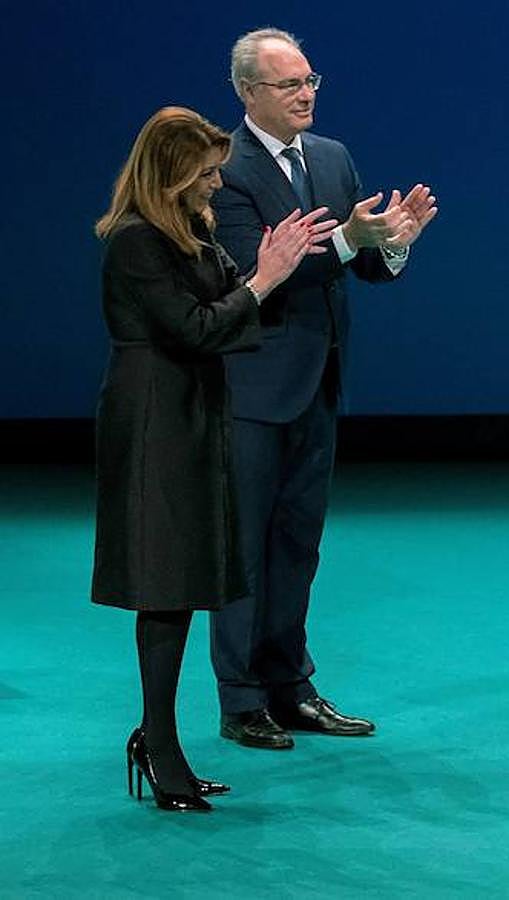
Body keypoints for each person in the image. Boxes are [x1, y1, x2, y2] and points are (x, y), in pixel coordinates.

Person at [92, 106, 335, 810]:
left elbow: (232, 301)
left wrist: (268, 274)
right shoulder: (136, 241)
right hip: (153, 421)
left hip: (194, 413)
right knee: (163, 582)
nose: (215, 185)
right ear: (170, 175)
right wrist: (264, 281)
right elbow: (201, 325)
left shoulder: (190, 231)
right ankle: (159, 743)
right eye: (204, 174)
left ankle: (159, 740)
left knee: (185, 579)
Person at [209, 28, 438, 749]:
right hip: (251, 385)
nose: (306, 94)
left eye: (311, 81)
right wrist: (349, 241)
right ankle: (241, 698)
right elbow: (255, 272)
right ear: (249, 93)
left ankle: (290, 687)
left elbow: (360, 266)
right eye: (288, 85)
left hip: (319, 383)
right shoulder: (226, 168)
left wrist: (394, 240)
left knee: (299, 543)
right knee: (242, 548)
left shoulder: (332, 157)